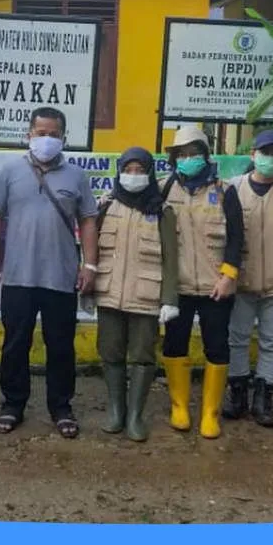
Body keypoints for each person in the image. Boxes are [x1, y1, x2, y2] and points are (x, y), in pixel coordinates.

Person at [0, 107, 99, 439]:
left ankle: (61, 407)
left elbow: (88, 220)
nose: (46, 139)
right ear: (29, 134)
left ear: (64, 137)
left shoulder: (76, 176)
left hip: (61, 277)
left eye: (53, 134)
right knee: (15, 343)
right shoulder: (9, 171)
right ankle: (12, 404)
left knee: (61, 345)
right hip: (18, 275)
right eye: (40, 132)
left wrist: (89, 264)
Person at [158, 126, 244, 439]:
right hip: (177, 286)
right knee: (174, 343)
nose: (189, 159)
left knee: (217, 345)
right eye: (182, 154)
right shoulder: (165, 188)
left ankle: (210, 413)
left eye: (194, 153)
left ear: (206, 156)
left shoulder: (224, 190)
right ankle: (179, 407)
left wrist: (228, 276)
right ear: (174, 158)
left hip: (215, 286)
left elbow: (237, 238)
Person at [91, 147, 179, 442]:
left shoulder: (162, 210)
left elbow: (171, 258)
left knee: (142, 356)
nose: (134, 176)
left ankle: (135, 417)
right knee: (110, 352)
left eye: (140, 170)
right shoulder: (106, 206)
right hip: (109, 293)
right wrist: (88, 286)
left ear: (151, 174)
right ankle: (117, 411)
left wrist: (169, 299)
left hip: (146, 296)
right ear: (119, 173)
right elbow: (91, 249)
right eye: (128, 170)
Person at [225, 129, 273, 428]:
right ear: (253, 154)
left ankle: (264, 397)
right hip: (241, 282)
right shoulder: (234, 188)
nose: (271, 159)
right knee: (237, 339)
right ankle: (238, 395)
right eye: (266, 153)